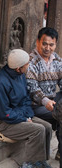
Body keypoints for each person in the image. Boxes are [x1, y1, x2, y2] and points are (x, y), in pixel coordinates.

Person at [0, 49, 53, 168]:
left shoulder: (20, 76)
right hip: (5, 123)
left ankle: (39, 159)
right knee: (38, 130)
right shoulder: (1, 82)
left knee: (47, 127)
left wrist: (28, 116)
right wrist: (24, 119)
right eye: (27, 64)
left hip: (21, 115)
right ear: (18, 68)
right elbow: (5, 113)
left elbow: (26, 99)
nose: (29, 66)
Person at [26, 27, 62, 159]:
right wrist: (45, 101)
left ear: (55, 44)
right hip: (35, 105)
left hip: (52, 101)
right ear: (38, 42)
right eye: (44, 44)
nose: (48, 48)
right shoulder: (31, 61)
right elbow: (32, 88)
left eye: (51, 45)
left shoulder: (57, 59)